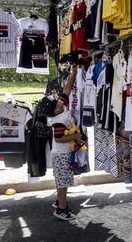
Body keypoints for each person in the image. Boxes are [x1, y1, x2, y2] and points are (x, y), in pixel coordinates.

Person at [39, 65, 80, 221]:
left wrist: (74, 74)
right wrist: (75, 137)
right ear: (54, 109)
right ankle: (62, 209)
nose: (59, 100)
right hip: (61, 155)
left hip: (62, 154)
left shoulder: (59, 108)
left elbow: (67, 90)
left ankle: (59, 203)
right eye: (55, 101)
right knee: (63, 182)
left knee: (61, 179)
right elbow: (59, 138)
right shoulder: (57, 120)